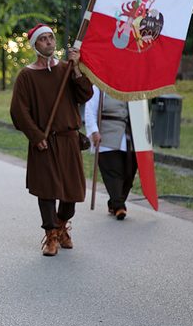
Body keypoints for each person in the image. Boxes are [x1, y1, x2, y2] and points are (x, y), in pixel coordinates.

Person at [10, 24, 93, 257]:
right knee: (47, 191)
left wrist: (76, 69)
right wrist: (36, 136)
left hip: (68, 140)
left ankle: (61, 225)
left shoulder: (67, 69)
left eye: (51, 38)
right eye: (43, 39)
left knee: (71, 191)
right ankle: (51, 236)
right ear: (35, 45)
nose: (48, 42)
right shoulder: (26, 76)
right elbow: (19, 111)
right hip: (44, 142)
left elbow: (85, 94)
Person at [85, 85, 137, 220]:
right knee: (113, 172)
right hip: (106, 136)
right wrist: (94, 131)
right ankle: (119, 206)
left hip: (127, 137)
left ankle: (114, 202)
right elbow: (90, 111)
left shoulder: (131, 87)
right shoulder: (99, 88)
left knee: (129, 172)